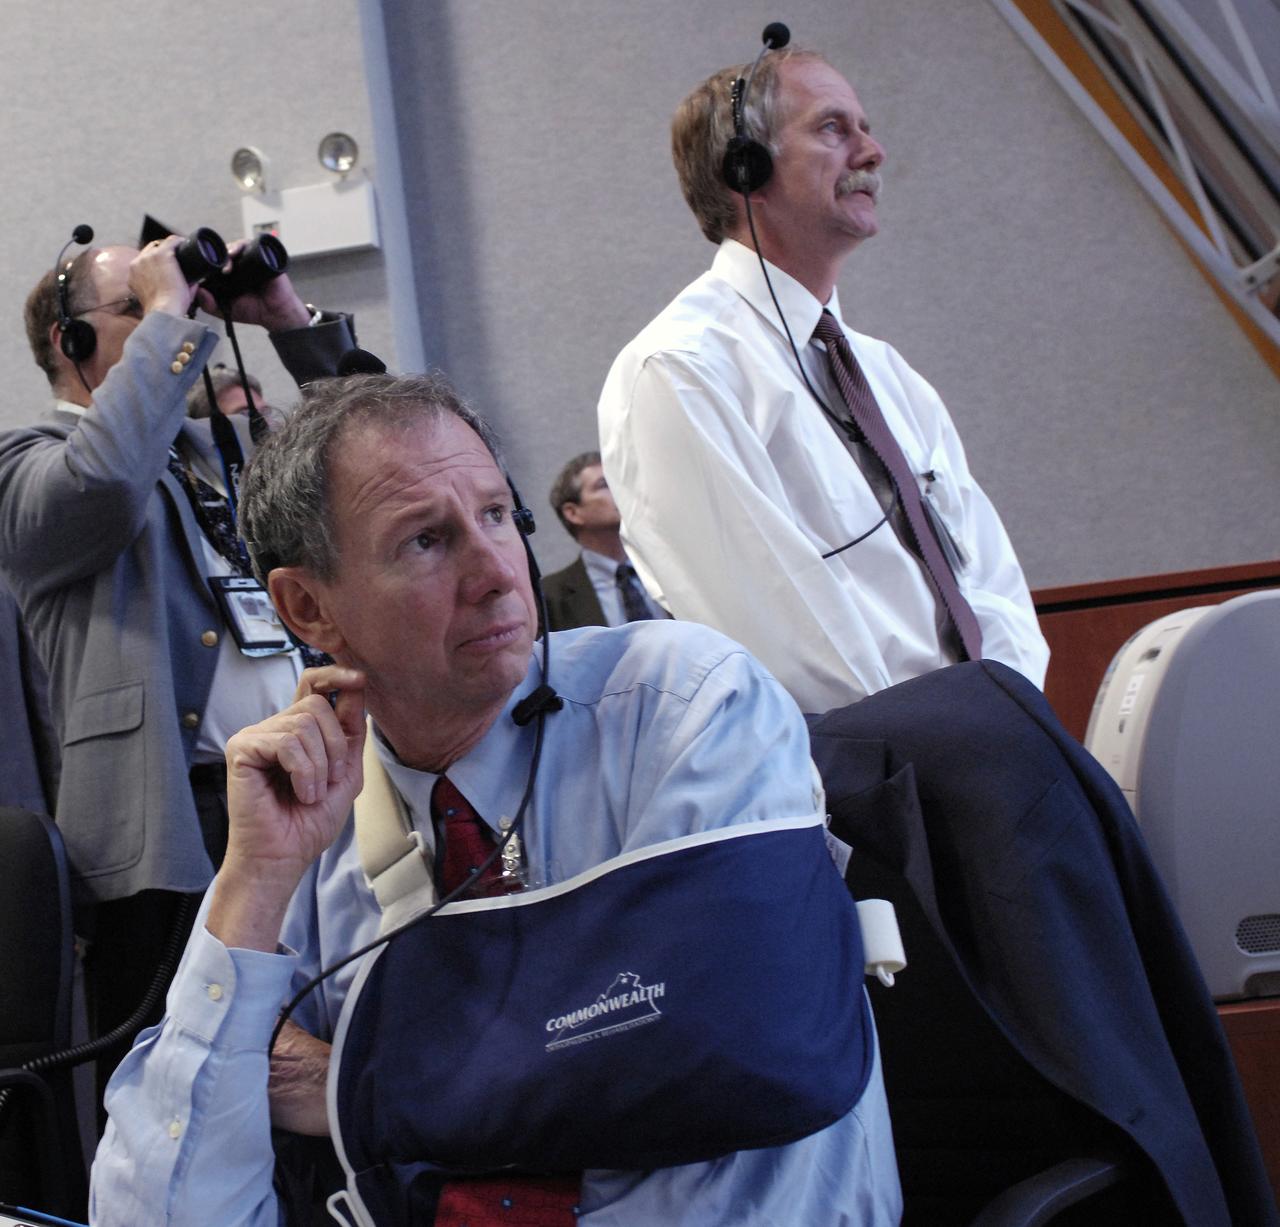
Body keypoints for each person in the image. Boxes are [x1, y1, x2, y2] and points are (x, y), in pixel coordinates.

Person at [89, 373, 901, 1226]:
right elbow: (150, 1210)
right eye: (426, 541)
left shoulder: (685, 705)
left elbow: (738, 1062)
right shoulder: (311, 813)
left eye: (495, 516)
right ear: (305, 606)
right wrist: (253, 885)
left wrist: (352, 1082)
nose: (498, 575)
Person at [0, 232, 356, 1096]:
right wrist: (171, 312)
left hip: (302, 792)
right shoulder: (25, 463)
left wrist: (283, 318)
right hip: (168, 825)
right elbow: (105, 489)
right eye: (144, 305)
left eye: (188, 301)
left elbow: (358, 451)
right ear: (70, 341)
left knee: (309, 1067)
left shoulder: (214, 451)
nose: (187, 321)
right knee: (188, 1089)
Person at [598, 45, 1049, 715]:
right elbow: (779, 635)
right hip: (878, 775)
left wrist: (1015, 713)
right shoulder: (679, 371)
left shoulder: (890, 375)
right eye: (834, 129)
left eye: (863, 127)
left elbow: (992, 578)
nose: (872, 153)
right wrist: (949, 743)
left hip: (1006, 742)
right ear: (743, 168)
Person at [541, 450, 666, 629]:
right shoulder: (549, 596)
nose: (619, 490)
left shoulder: (667, 568)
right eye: (604, 484)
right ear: (573, 513)